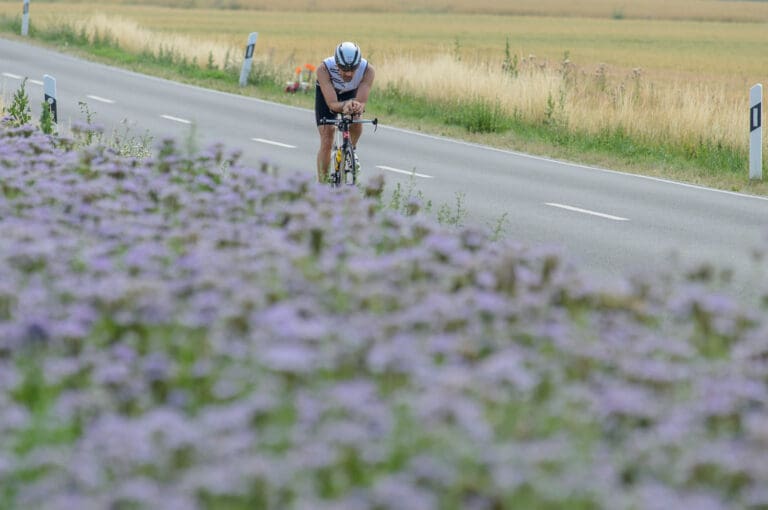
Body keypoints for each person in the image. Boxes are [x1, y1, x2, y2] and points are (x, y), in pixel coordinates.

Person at [315, 41, 376, 183]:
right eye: (344, 69)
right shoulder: (323, 69)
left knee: (356, 115)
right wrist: (344, 105)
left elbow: (361, 101)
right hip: (329, 96)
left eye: (353, 69)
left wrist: (357, 106)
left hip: (351, 93)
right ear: (336, 64)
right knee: (327, 136)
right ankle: (322, 184)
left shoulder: (368, 70)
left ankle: (351, 150)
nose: (348, 73)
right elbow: (332, 104)